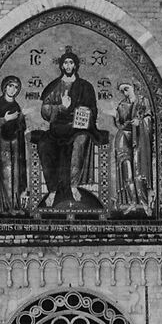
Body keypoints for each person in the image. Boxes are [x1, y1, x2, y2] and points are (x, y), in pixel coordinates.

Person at [33, 49, 100, 208]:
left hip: (77, 127)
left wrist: (82, 114)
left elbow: (93, 109)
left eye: (71, 62)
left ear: (76, 65)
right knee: (44, 145)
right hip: (57, 128)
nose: (68, 66)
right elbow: (45, 111)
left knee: (80, 141)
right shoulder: (55, 86)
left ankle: (74, 185)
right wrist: (62, 107)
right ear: (61, 65)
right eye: (65, 63)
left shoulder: (85, 86)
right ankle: (52, 190)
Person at [0, 75, 27, 210]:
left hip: (14, 146)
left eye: (16, 87)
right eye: (10, 86)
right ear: (4, 87)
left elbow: (21, 126)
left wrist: (20, 121)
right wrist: (4, 119)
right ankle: (1, 207)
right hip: (0, 146)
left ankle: (14, 205)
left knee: (14, 174)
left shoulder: (16, 105)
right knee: (3, 174)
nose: (13, 90)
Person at [110, 82, 152, 213]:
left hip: (139, 137)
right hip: (123, 137)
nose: (125, 93)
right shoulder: (122, 105)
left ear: (134, 88)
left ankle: (144, 203)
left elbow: (149, 117)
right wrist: (115, 117)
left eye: (126, 89)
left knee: (138, 170)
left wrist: (140, 122)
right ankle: (132, 202)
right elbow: (119, 122)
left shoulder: (143, 101)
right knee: (126, 170)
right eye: (122, 91)